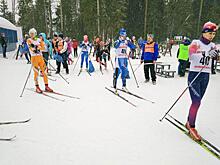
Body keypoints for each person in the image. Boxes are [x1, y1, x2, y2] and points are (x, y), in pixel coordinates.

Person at [186, 21, 219, 141]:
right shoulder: (196, 43)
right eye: (210, 33)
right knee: (196, 102)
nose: (212, 36)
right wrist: (205, 54)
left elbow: (216, 56)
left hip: (205, 75)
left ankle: (189, 122)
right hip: (194, 75)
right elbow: (190, 56)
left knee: (197, 101)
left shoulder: (213, 45)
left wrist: (215, 54)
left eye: (214, 34)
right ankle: (192, 127)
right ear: (204, 32)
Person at [27, 28, 53, 93]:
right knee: (36, 73)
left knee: (44, 71)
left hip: (40, 58)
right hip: (34, 58)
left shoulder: (39, 40)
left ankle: (46, 86)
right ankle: (37, 86)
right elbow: (31, 48)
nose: (32, 35)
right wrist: (37, 48)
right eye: (31, 33)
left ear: (35, 34)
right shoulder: (29, 40)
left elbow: (43, 47)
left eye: (33, 33)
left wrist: (37, 47)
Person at [113, 28, 136, 93]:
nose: (124, 36)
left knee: (124, 72)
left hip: (125, 58)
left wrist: (131, 42)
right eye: (123, 35)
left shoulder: (126, 41)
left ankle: (124, 86)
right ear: (120, 35)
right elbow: (115, 46)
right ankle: (115, 86)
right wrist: (120, 41)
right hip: (119, 58)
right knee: (118, 72)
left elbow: (133, 47)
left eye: (125, 35)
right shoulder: (117, 41)